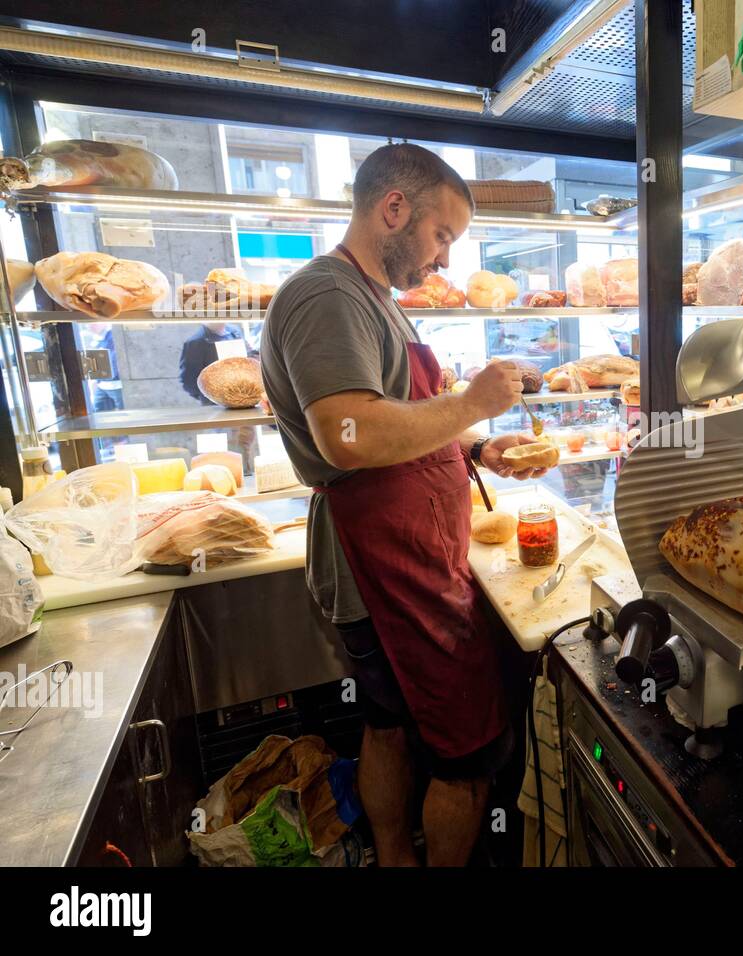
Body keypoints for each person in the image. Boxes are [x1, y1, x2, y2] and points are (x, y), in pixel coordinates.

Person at [260, 143, 545, 867]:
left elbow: (404, 416)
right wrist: (475, 399)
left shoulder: (374, 300)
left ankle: (395, 858)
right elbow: (351, 433)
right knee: (468, 753)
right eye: (442, 234)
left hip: (405, 557)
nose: (445, 258)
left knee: (387, 724)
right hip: (385, 571)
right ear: (394, 209)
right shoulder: (328, 296)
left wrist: (476, 448)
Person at [179, 322, 243, 404]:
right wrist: (208, 398)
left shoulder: (235, 332)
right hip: (216, 403)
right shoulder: (195, 342)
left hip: (244, 396)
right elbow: (189, 381)